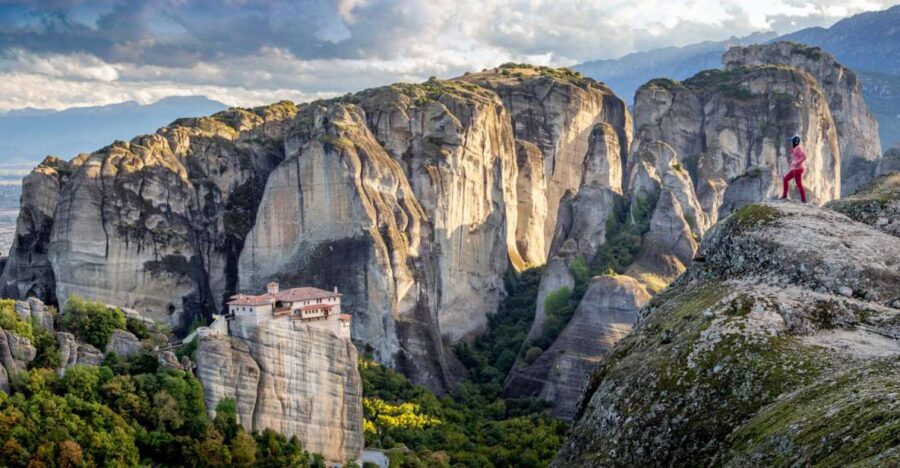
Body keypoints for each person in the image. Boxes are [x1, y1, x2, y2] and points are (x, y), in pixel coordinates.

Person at [781, 134, 807, 203]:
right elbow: (796, 157)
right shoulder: (795, 148)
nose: (791, 142)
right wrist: (792, 161)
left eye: (792, 141)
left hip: (797, 170)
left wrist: (797, 162)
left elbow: (804, 156)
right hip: (794, 169)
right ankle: (784, 195)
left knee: (799, 184)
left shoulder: (798, 148)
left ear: (795, 142)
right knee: (785, 179)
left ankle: (803, 200)